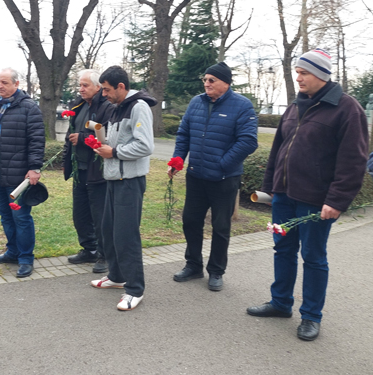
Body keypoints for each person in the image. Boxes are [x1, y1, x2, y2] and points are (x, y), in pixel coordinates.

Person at [247, 48, 368, 341]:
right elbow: (277, 151)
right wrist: (269, 189)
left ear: (322, 75)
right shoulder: (293, 107)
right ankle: (280, 304)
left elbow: (353, 160)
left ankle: (311, 316)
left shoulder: (347, 108)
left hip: (316, 201)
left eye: (304, 73)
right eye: (297, 72)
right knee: (283, 250)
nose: (298, 78)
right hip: (284, 197)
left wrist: (337, 200)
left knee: (313, 257)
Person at [170, 62, 258, 291]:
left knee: (220, 227)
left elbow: (248, 141)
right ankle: (193, 265)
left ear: (225, 83)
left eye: (212, 80)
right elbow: (184, 134)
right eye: (205, 80)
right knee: (190, 221)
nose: (206, 84)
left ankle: (216, 271)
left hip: (224, 179)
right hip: (196, 176)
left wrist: (222, 164)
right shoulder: (196, 103)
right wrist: (178, 160)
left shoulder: (242, 106)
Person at [90, 65, 155, 311]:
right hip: (114, 179)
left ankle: (135, 290)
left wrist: (113, 152)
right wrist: (103, 145)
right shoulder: (119, 108)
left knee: (126, 236)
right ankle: (117, 277)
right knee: (109, 231)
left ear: (121, 87)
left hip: (130, 182)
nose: (103, 94)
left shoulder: (138, 107)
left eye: (106, 89)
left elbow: (145, 145)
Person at [0, 68, 45, 278]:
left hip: (18, 174)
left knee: (21, 217)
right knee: (5, 215)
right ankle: (13, 252)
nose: (0, 86)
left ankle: (26, 258)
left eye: (5, 82)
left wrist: (34, 168)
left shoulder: (28, 107)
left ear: (16, 84)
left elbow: (37, 140)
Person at [63, 69, 114, 273]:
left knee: (100, 216)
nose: (81, 89)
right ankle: (89, 249)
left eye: (85, 85)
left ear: (98, 87)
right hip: (80, 169)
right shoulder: (79, 105)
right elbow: (72, 130)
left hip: (97, 171)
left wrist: (83, 138)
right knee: (80, 214)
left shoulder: (107, 107)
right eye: (80, 85)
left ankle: (104, 254)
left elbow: (106, 133)